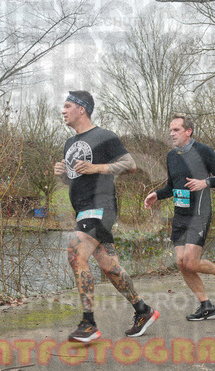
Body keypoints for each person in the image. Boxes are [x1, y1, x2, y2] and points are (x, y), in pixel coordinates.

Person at [53, 90, 158, 342]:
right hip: (83, 210)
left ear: (82, 109)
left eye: (67, 106)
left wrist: (96, 167)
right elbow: (76, 178)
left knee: (75, 253)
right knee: (110, 267)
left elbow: (130, 165)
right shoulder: (69, 143)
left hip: (101, 207)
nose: (63, 111)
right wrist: (62, 174)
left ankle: (88, 324)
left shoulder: (104, 136)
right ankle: (143, 310)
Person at [144, 114, 215, 321]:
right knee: (181, 263)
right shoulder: (171, 156)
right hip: (180, 214)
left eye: (176, 130)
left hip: (199, 213)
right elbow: (172, 186)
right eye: (170, 130)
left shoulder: (204, 151)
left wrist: (205, 182)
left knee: (191, 262)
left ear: (188, 131)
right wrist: (157, 194)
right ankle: (206, 306)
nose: (171, 133)